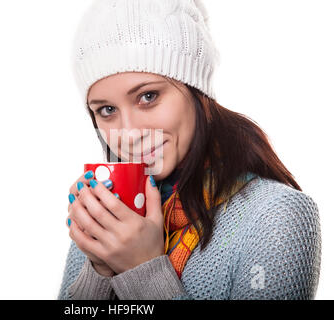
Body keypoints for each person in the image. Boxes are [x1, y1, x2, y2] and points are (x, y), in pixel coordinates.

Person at [58, 0, 321, 300]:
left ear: (198, 91)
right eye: (106, 109)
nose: (128, 135)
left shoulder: (276, 216)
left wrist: (143, 270)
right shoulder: (106, 212)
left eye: (148, 96)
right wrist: (100, 270)